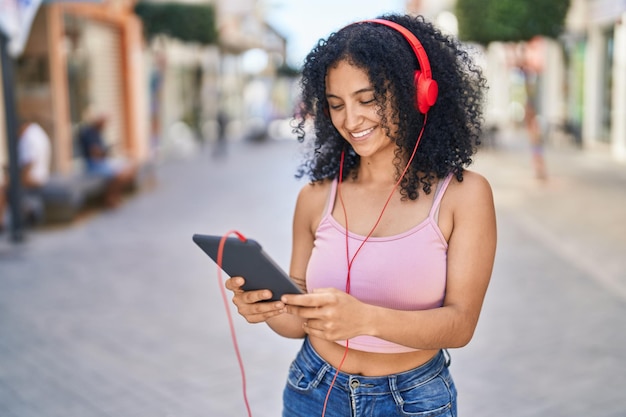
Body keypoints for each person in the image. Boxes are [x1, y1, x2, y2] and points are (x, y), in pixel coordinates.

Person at [224, 14, 496, 416]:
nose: (351, 121)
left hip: (413, 401)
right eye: (336, 106)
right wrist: (267, 309)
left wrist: (365, 319)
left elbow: (460, 325)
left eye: (367, 100)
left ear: (417, 93)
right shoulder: (316, 197)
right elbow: (298, 322)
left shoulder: (463, 195)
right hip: (312, 389)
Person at [0, 120, 51, 231]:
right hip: (41, 175)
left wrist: (12, 175)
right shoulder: (37, 132)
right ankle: (25, 213)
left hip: (34, 178)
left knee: (3, 187)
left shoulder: (28, 138)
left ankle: (1, 222)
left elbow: (28, 164)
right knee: (7, 183)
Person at [78, 113, 137, 208]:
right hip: (94, 164)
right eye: (104, 123)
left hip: (102, 162)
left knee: (130, 166)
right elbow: (96, 154)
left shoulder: (97, 132)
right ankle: (110, 198)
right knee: (120, 174)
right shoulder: (89, 133)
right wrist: (107, 150)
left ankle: (115, 196)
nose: (105, 126)